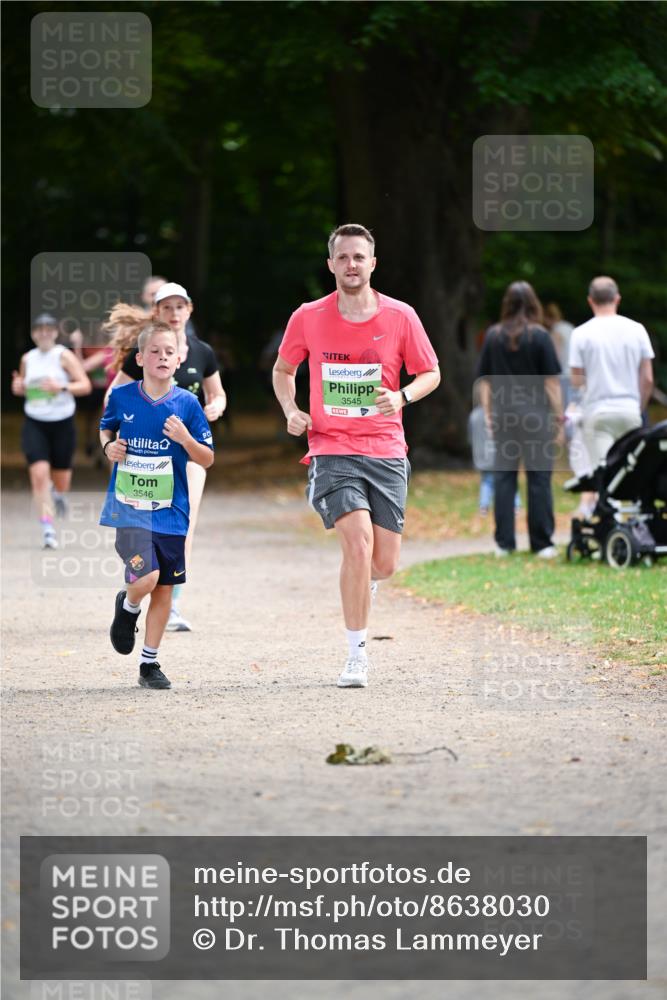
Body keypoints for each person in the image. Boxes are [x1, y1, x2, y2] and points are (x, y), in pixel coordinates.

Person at [273, 223, 440, 689]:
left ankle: (362, 586)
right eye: (342, 257)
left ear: (372, 263)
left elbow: (431, 372)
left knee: (384, 564)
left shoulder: (401, 316)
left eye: (358, 257)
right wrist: (292, 409)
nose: (351, 265)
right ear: (330, 264)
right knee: (359, 543)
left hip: (386, 448)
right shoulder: (308, 316)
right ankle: (356, 655)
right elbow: (284, 369)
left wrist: (403, 396)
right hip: (331, 447)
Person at [105, 282, 226, 631]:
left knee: (182, 528)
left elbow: (216, 394)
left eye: (180, 307)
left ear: (190, 310)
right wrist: (115, 438)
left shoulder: (202, 352)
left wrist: (215, 406)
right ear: (157, 312)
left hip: (187, 454)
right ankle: (138, 585)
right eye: (167, 308)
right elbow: (115, 395)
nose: (174, 314)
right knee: (143, 527)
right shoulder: (144, 352)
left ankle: (171, 604)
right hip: (146, 458)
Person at [99, 322, 214, 690]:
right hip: (129, 509)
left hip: (172, 513)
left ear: (179, 360)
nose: (162, 357)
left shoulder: (188, 404)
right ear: (140, 358)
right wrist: (108, 447)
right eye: (154, 351)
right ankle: (129, 606)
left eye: (169, 352)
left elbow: (207, 458)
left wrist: (185, 438)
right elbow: (106, 428)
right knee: (145, 578)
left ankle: (149, 663)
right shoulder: (123, 396)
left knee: (163, 587)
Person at [476, 281, 564, 559]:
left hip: (503, 417)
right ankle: (542, 543)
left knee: (503, 478)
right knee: (539, 479)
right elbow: (551, 382)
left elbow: (486, 382)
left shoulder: (493, 336)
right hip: (536, 418)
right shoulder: (540, 336)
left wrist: (489, 415)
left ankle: (504, 543)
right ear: (534, 304)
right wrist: (560, 417)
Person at [11, 314, 91, 548]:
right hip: (35, 422)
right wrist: (19, 388)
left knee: (62, 480)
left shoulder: (63, 356)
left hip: (62, 423)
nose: (44, 333)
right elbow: (25, 387)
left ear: (56, 332)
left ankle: (59, 495)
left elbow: (85, 385)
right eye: (39, 329)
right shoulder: (28, 358)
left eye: (48, 329)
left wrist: (61, 387)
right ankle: (48, 529)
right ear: (33, 333)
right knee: (38, 477)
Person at [569, 276, 655, 473]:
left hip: (597, 412)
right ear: (617, 299)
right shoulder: (637, 330)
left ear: (590, 300)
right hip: (630, 411)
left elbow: (576, 381)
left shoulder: (581, 333)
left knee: (603, 475)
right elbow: (648, 378)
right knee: (629, 475)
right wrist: (638, 407)